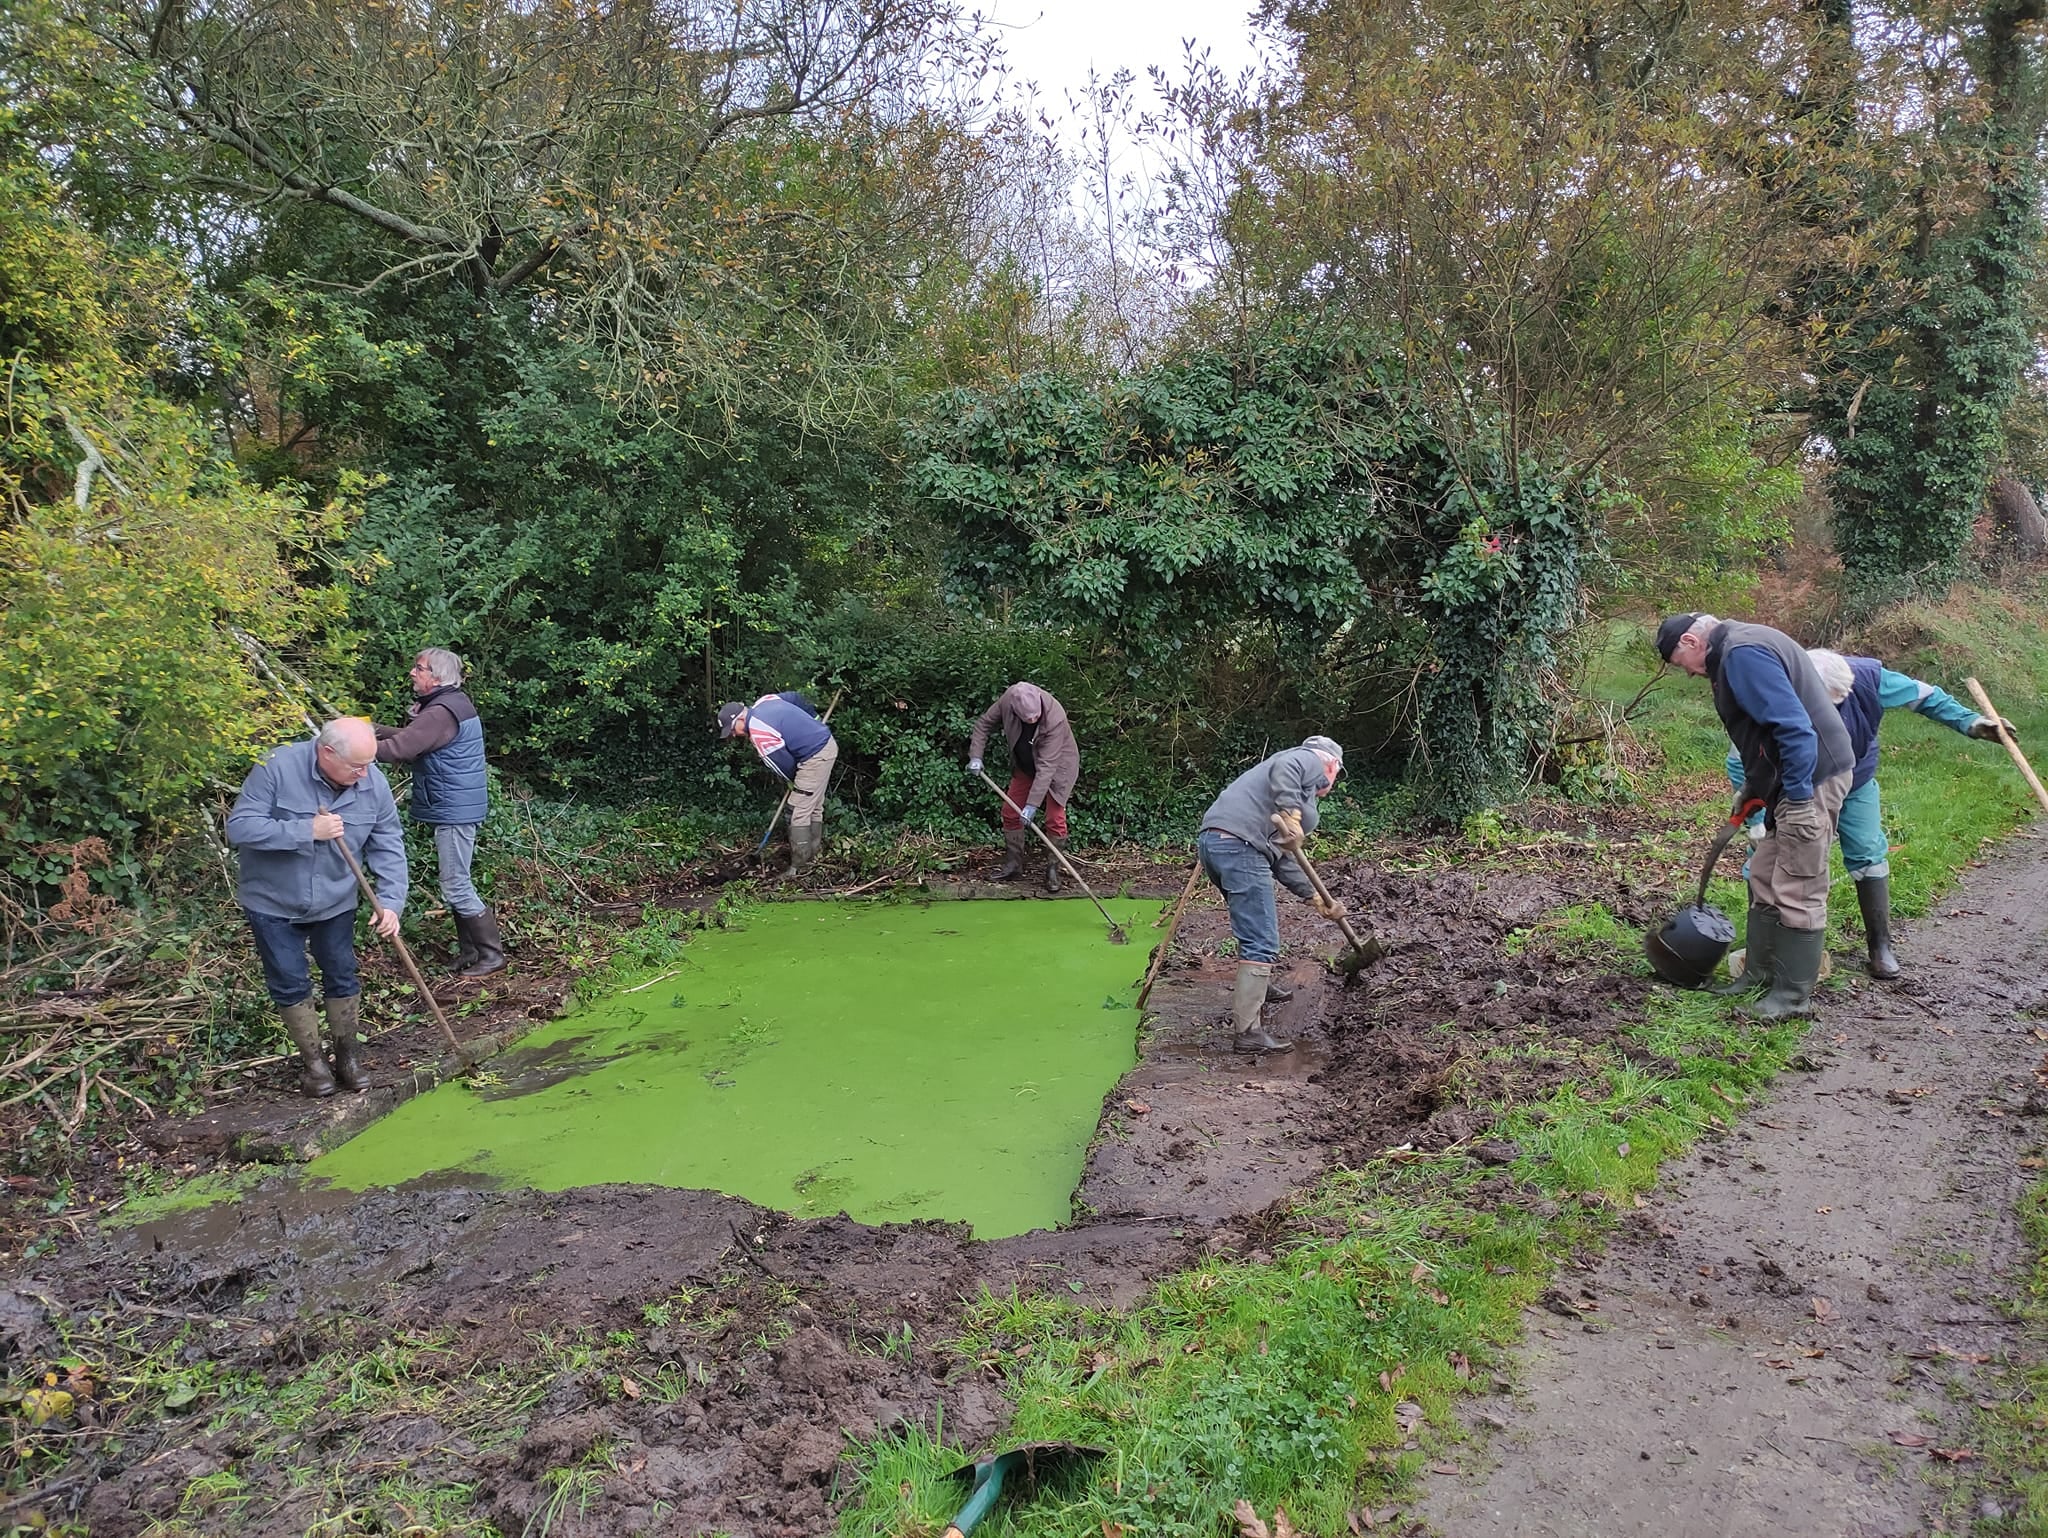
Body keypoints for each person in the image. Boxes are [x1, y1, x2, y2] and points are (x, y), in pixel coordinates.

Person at [1725, 647, 2016, 979]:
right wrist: (1757, 820)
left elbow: (1927, 697)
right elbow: (1739, 759)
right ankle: (1765, 950)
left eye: (1836, 703)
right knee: (1763, 860)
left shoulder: (1870, 678)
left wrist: (1970, 722)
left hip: (1854, 779)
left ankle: (1880, 947)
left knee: (1867, 852)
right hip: (1791, 789)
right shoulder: (1770, 692)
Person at [1657, 613, 1854, 1019]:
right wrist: (1754, 785)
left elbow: (1795, 728)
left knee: (1798, 884)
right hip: (1789, 780)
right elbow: (1760, 733)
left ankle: (1792, 997)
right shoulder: (1736, 648)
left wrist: (1798, 800)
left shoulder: (1742, 653)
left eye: (1682, 664)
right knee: (1764, 872)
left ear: (1693, 642)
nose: (1690, 675)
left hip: (1811, 781)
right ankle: (1760, 974)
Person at [226, 718, 408, 1098]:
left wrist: (391, 901)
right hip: (273, 901)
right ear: (327, 752)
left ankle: (348, 1059)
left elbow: (388, 841)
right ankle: (314, 1066)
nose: (364, 774)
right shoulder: (277, 765)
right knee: (290, 981)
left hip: (336, 901)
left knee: (342, 975)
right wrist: (304, 830)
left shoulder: (372, 781)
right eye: (356, 767)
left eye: (369, 765)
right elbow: (240, 827)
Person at [1196, 736, 1349, 1054]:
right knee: (1262, 940)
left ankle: (1259, 986)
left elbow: (1283, 859)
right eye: (1336, 774)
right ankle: (1248, 1033)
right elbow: (1287, 767)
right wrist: (1291, 813)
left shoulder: (1292, 793)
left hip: (1218, 843)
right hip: (1240, 847)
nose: (1332, 782)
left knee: (1251, 926)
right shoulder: (1307, 760)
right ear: (1331, 765)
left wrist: (1315, 897)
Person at [373, 648, 504, 978]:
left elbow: (400, 749)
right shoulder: (452, 704)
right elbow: (412, 738)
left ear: (437, 677)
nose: (412, 674)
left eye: (419, 669)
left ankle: (492, 954)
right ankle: (471, 951)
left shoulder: (440, 712)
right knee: (456, 881)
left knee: (456, 883)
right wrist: (372, 728)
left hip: (454, 810)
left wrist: (352, 743)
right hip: (455, 805)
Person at [966, 682, 1082, 892]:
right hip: (1025, 765)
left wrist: (1031, 805)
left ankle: (1053, 869)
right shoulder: (1009, 699)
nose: (1032, 721)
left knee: (1054, 818)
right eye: (1027, 719)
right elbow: (983, 724)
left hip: (1057, 768)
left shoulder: (1055, 717)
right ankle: (1014, 864)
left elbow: (1047, 768)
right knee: (1010, 812)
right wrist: (975, 756)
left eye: (1035, 718)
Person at [719, 692, 838, 875]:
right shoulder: (764, 702)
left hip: (815, 756)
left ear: (740, 719)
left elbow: (782, 764)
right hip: (825, 745)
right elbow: (794, 697)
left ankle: (800, 867)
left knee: (798, 809)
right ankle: (813, 856)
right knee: (812, 804)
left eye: (733, 730)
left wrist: (794, 782)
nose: (734, 735)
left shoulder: (759, 734)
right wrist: (814, 718)